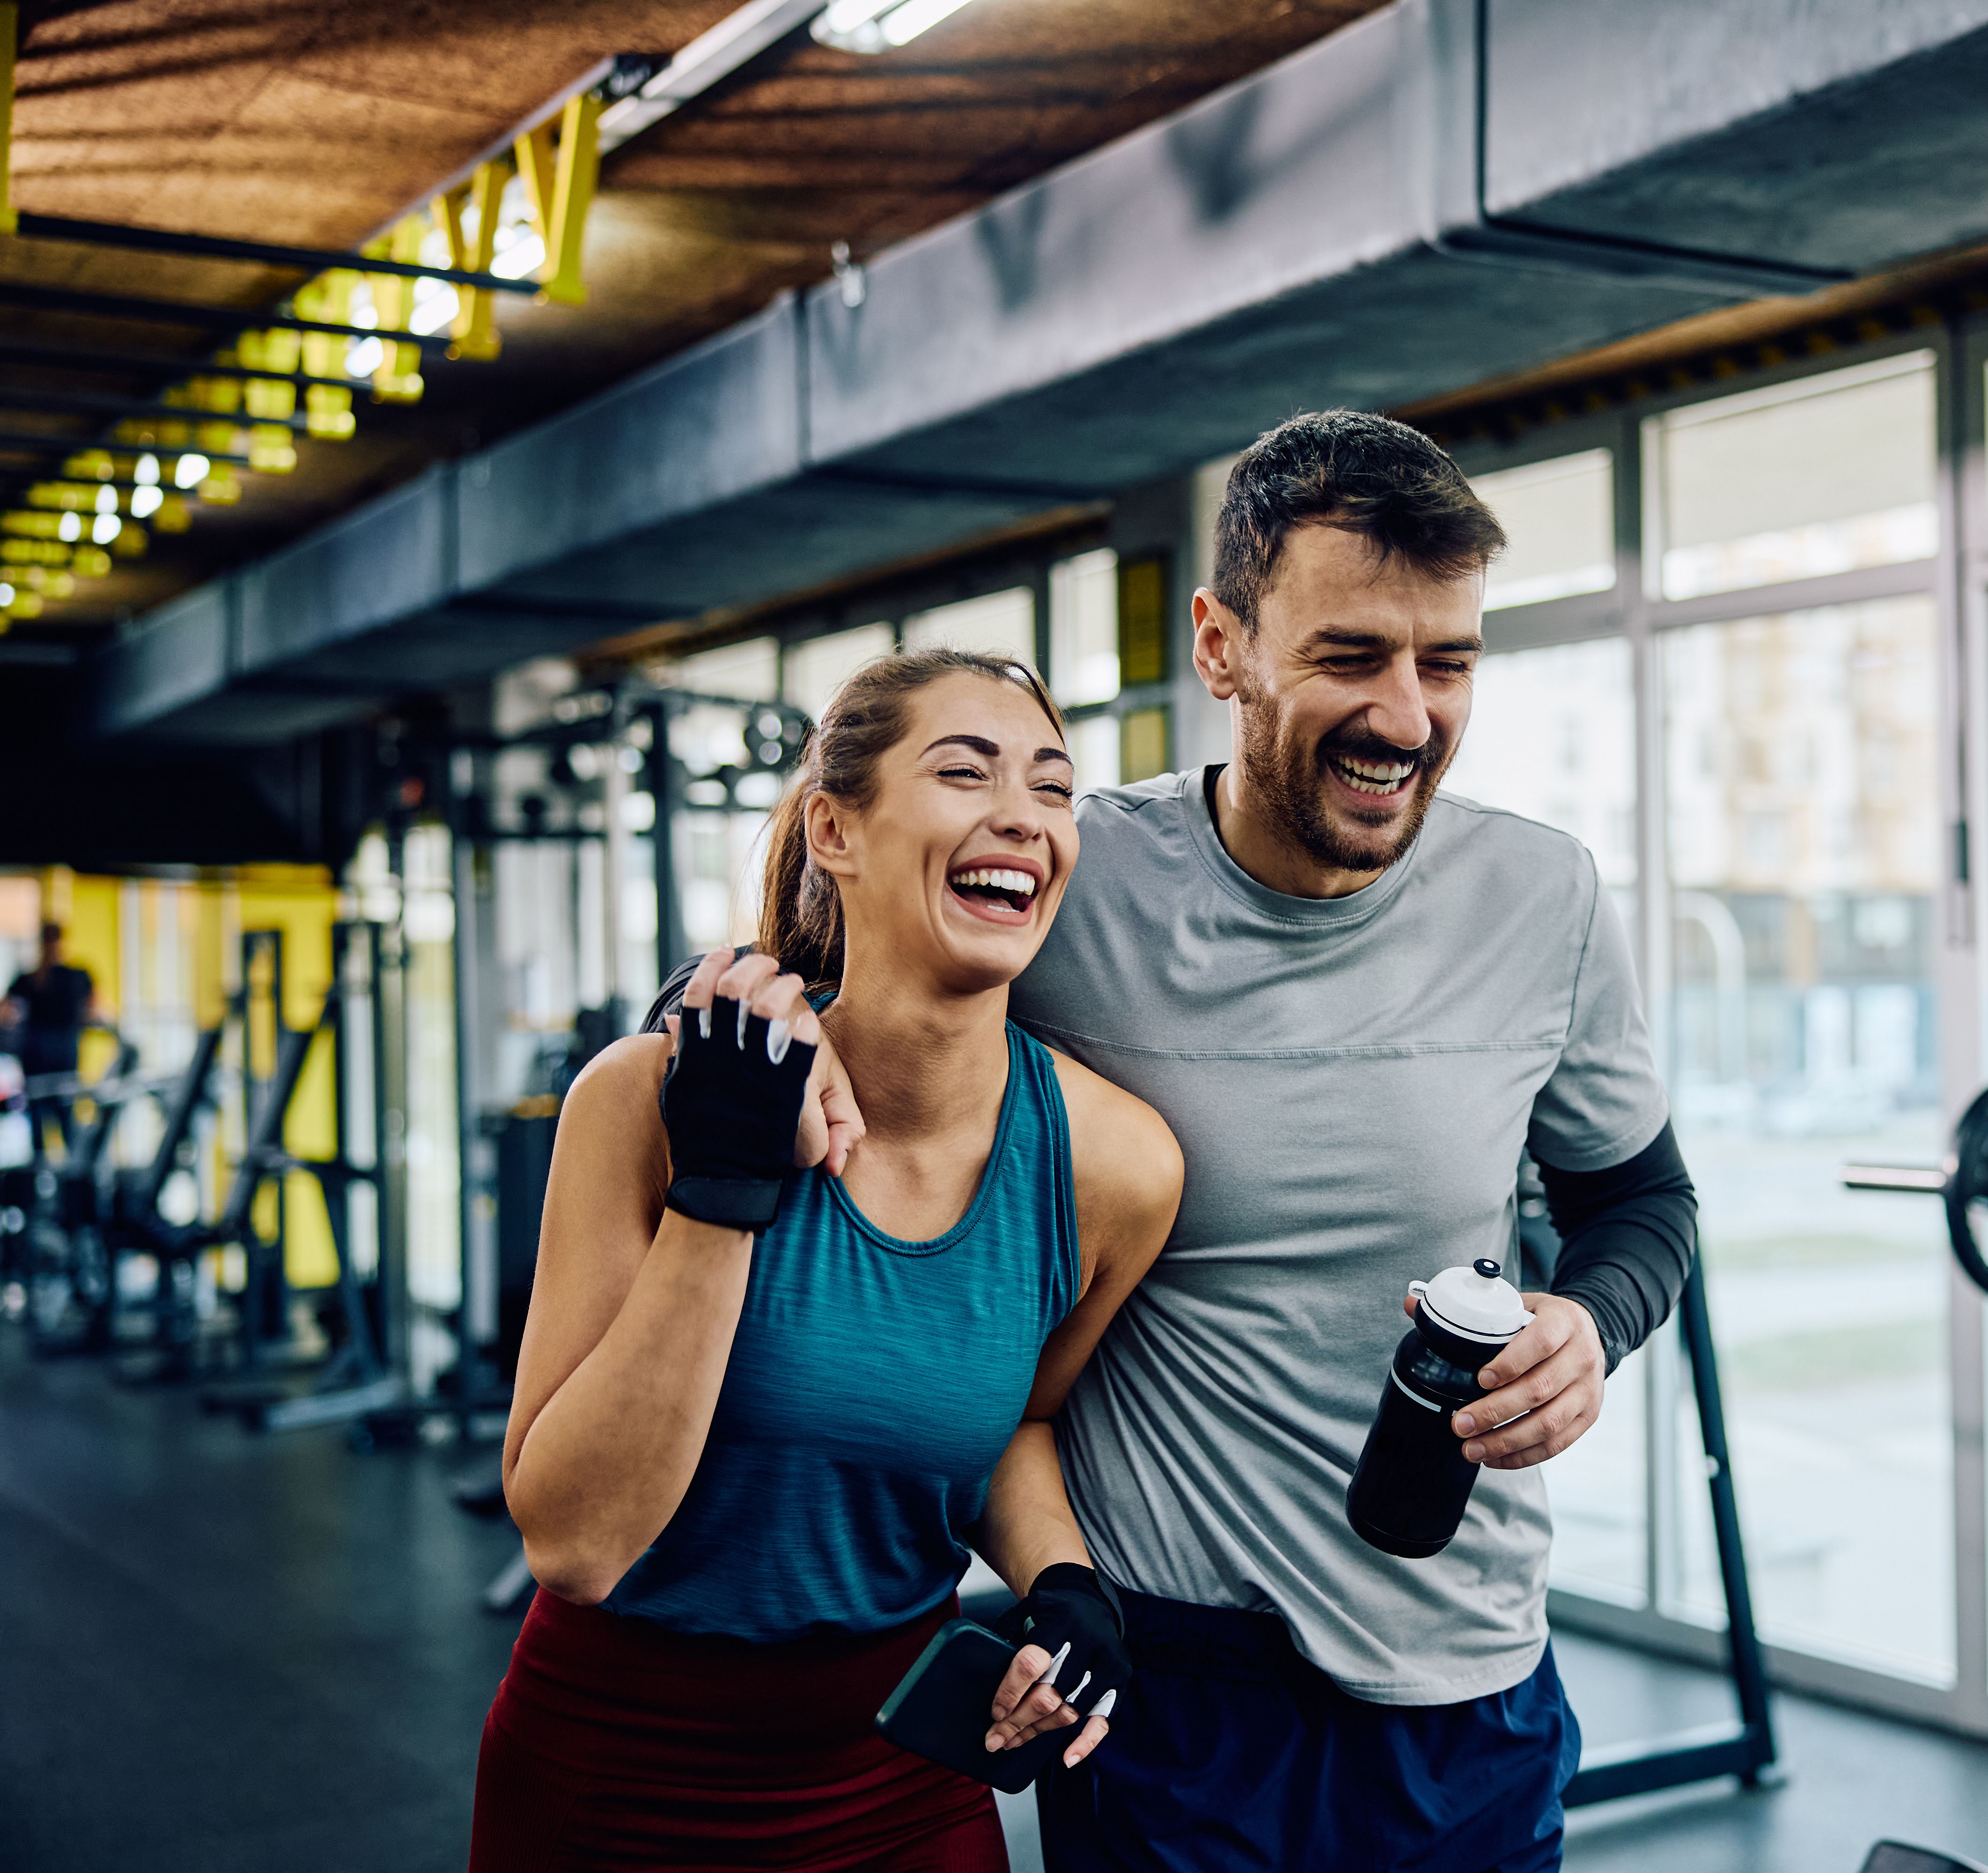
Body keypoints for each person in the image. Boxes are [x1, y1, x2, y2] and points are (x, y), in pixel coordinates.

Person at [686, 411, 1699, 1871]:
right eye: (1350, 656)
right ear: (1222, 647)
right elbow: (819, 963)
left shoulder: (1542, 895)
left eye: (1447, 662)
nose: (1406, 714)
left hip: (1460, 1675)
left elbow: (1645, 1202)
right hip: (1172, 1688)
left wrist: (1588, 1327)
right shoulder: (1076, 879)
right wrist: (728, 1003)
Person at [474, 649, 1184, 1872]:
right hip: (610, 1774)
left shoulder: (1113, 1166)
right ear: (836, 831)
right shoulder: (643, 1100)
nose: (1022, 812)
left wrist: (1064, 1582)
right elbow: (576, 1545)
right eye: (966, 772)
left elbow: (1021, 1420)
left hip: (899, 1779)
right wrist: (726, 1188)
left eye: (1054, 789)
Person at [4, 922, 99, 1154]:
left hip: (63, 1064)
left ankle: (71, 1180)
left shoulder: (77, 976)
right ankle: (45, 1182)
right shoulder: (29, 980)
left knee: (66, 1126)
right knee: (41, 1131)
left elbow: (95, 1009)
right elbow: (6, 1010)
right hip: (38, 1065)